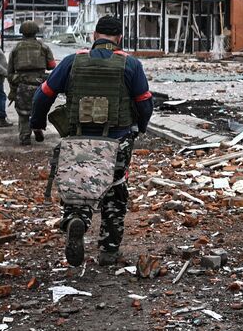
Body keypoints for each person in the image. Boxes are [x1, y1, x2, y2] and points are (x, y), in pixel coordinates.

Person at [30, 15, 153, 266]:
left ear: (94, 35)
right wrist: (140, 127)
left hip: (78, 139)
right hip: (117, 140)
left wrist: (37, 122)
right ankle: (108, 250)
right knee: (115, 191)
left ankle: (77, 219)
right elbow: (144, 103)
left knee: (79, 185)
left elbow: (43, 95)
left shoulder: (72, 61)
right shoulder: (131, 64)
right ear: (119, 38)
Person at [8, 21, 57, 146]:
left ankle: (25, 136)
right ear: (36, 32)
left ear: (22, 32)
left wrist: (13, 89)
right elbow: (52, 66)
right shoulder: (43, 47)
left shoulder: (16, 48)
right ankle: (37, 128)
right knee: (39, 109)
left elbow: (10, 71)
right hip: (40, 84)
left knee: (23, 112)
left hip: (22, 84)